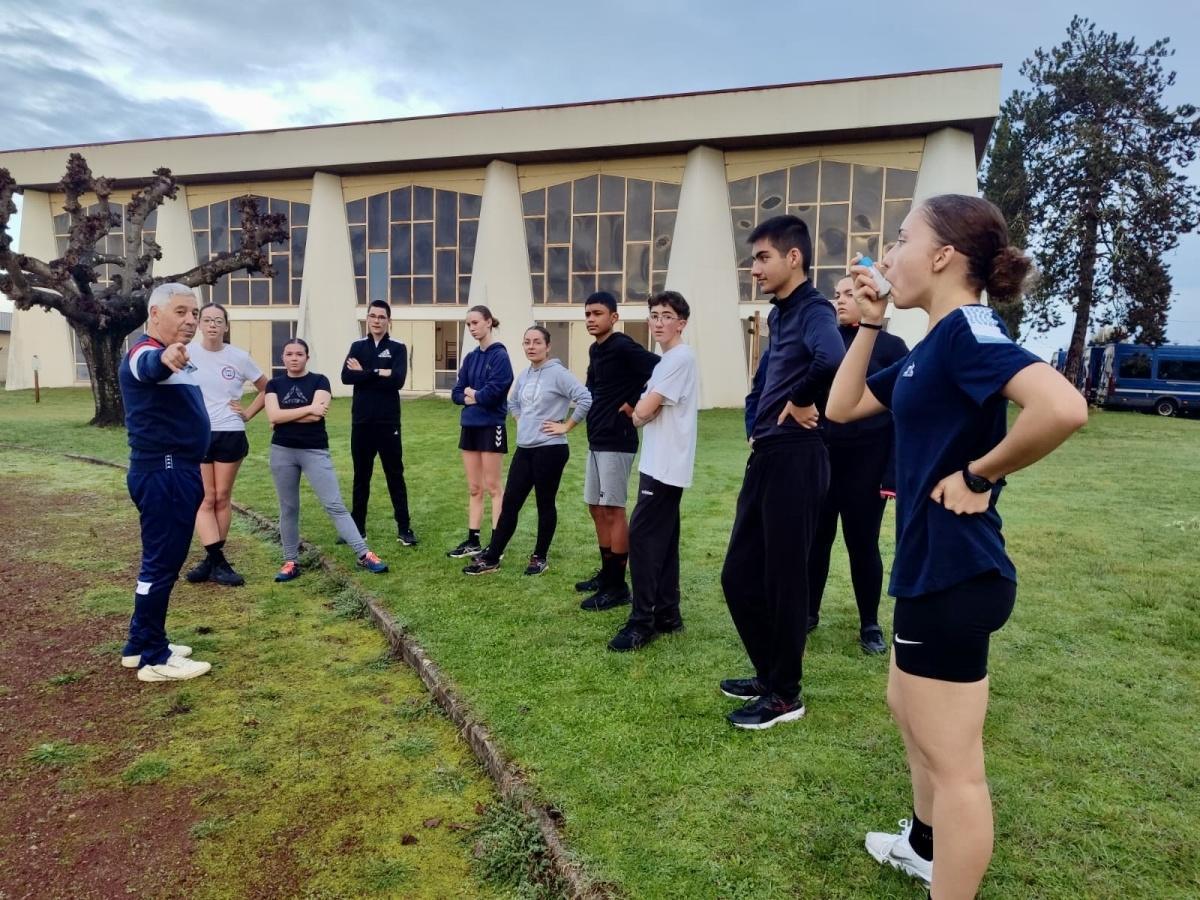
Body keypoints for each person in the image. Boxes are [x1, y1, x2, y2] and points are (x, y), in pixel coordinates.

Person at [826, 194, 1087, 899]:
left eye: (903, 238)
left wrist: (980, 472)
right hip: (928, 568)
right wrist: (871, 324)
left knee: (955, 766)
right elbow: (842, 408)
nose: (888, 254)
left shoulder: (968, 332)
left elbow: (1062, 407)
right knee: (906, 710)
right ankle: (922, 845)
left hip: (956, 572)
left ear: (943, 256)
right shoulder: (934, 344)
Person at [719, 214, 844, 729]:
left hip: (798, 456)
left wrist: (798, 400)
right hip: (768, 453)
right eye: (753, 259)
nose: (754, 269)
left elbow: (832, 357)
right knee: (738, 576)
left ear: (794, 257)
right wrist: (756, 420)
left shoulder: (814, 308)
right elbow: (762, 376)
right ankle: (770, 673)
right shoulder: (779, 315)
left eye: (763, 257)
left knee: (784, 580)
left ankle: (785, 694)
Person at [807, 276, 909, 653]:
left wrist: (892, 474)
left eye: (849, 294)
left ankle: (870, 624)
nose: (840, 301)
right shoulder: (825, 346)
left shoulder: (894, 347)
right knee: (816, 541)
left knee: (862, 544)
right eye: (837, 295)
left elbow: (903, 412)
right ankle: (809, 613)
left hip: (868, 465)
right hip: (823, 460)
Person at [117, 282, 212, 682]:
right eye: (180, 312)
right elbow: (147, 365)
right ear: (155, 314)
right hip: (166, 473)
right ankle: (155, 659)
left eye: (194, 313)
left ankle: (139, 644)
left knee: (160, 562)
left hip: (173, 471)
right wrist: (165, 356)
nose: (190, 320)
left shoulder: (180, 357)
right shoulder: (144, 352)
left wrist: (174, 356)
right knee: (162, 565)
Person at [608, 291, 698, 652]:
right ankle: (667, 614)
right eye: (654, 315)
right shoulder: (665, 361)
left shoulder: (680, 357)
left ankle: (641, 621)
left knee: (643, 541)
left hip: (665, 467)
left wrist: (643, 410)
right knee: (664, 540)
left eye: (666, 315)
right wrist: (644, 410)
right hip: (659, 463)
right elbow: (644, 412)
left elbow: (642, 413)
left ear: (682, 322)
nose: (659, 321)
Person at [462, 326, 592, 576]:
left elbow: (585, 398)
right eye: (527, 342)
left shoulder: (558, 374)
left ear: (547, 346)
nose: (531, 346)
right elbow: (513, 401)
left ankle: (539, 557)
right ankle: (492, 558)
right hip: (525, 450)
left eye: (536, 342)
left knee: (545, 504)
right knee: (510, 504)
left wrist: (566, 425)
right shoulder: (525, 375)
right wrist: (520, 419)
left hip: (550, 450)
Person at [265, 338, 389, 581]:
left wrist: (286, 416)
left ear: (307, 357)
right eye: (289, 354)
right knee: (288, 507)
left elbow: (312, 417)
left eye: (299, 354)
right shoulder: (273, 384)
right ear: (283, 357)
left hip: (314, 451)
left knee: (334, 505)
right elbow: (273, 415)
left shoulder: (320, 381)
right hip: (282, 452)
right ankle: (291, 561)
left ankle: (364, 555)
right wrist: (307, 409)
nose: (293, 358)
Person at [576, 291, 659, 611]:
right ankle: (607, 575)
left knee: (613, 509)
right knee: (595, 507)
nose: (591, 319)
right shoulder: (596, 350)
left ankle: (617, 586)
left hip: (618, 438)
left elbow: (661, 369)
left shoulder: (623, 345)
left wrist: (637, 404)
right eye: (588, 314)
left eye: (597, 313)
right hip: (597, 437)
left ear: (614, 317)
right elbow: (591, 389)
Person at [183, 302, 268, 588]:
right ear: (199, 324)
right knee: (205, 497)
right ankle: (217, 560)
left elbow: (267, 388)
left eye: (218, 321)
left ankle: (212, 560)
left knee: (222, 496)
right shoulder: (187, 352)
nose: (212, 325)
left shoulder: (239, 357)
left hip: (230, 431)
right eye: (206, 320)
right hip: (198, 433)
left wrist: (247, 413)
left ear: (226, 326)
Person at [340, 299, 418, 547]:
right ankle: (358, 529)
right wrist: (377, 371)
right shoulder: (357, 346)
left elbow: (397, 380)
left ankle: (404, 528)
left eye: (381, 317)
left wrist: (363, 373)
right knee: (361, 476)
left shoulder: (397, 348)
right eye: (372, 316)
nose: (376, 321)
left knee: (395, 475)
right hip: (361, 422)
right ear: (367, 319)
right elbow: (345, 377)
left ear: (388, 320)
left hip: (388, 422)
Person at [448, 305, 514, 558]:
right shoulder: (471, 358)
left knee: (494, 487)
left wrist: (474, 393)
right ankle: (473, 540)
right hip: (470, 427)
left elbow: (494, 393)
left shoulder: (500, 356)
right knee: (474, 488)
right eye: (468, 324)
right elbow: (456, 392)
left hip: (491, 427)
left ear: (488, 322)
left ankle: (496, 545)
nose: (472, 328)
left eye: (476, 322)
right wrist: (471, 396)